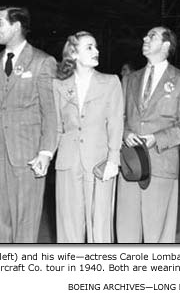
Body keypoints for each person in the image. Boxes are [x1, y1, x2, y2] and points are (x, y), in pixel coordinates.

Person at [0, 6, 57, 243]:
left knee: (26, 216)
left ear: (16, 26)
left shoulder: (43, 62)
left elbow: (50, 112)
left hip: (27, 150)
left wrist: (45, 152)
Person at [116, 26, 180, 243]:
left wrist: (157, 138)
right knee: (126, 230)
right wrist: (125, 133)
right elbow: (119, 117)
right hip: (130, 164)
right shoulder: (130, 79)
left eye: (151, 36)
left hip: (161, 163)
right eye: (145, 35)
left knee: (157, 233)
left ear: (165, 45)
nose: (145, 38)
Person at [53, 31, 123, 243]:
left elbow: (115, 123)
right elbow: (56, 127)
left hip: (100, 162)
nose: (97, 51)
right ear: (73, 54)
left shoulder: (111, 82)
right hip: (68, 162)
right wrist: (46, 154)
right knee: (68, 225)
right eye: (89, 47)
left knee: (100, 225)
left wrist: (113, 160)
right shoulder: (59, 86)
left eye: (96, 46)